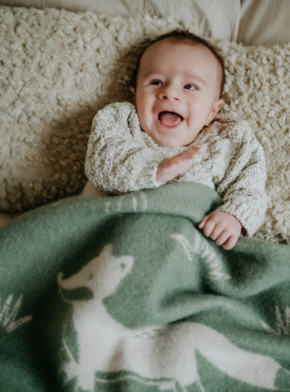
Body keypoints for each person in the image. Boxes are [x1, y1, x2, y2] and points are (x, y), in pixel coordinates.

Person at [85, 30, 267, 250]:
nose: (170, 93)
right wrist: (156, 169)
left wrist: (234, 217)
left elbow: (250, 186)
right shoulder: (120, 120)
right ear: (135, 96)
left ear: (212, 110)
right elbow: (102, 163)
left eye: (189, 86)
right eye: (156, 81)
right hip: (116, 237)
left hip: (190, 243)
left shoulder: (228, 137)